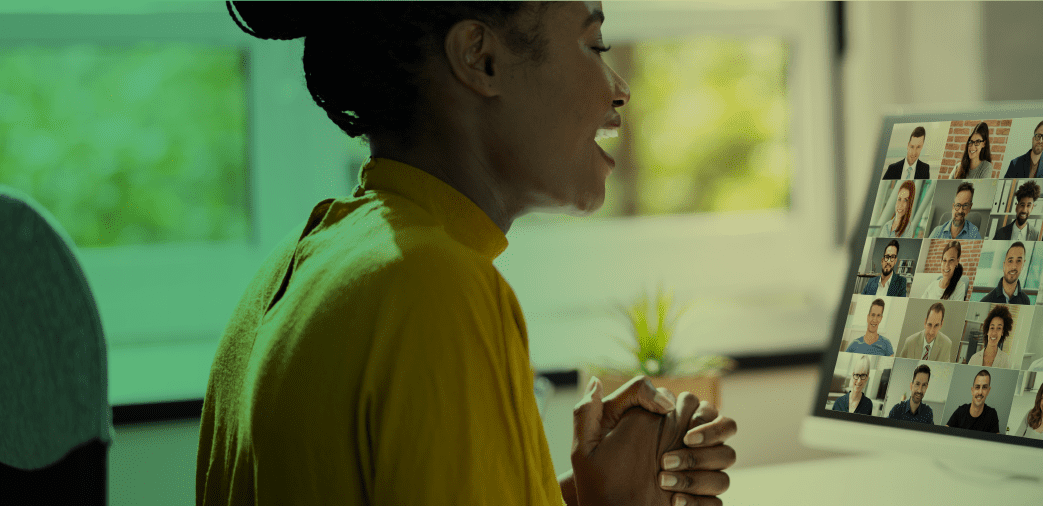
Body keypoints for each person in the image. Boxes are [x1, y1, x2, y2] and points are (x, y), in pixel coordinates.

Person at [205, 4, 736, 506]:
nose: (619, 90)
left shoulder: (295, 266)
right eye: (593, 44)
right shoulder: (434, 286)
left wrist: (591, 493)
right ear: (480, 58)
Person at [946, 369, 1000, 433]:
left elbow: (996, 441)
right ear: (972, 390)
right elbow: (944, 434)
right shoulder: (960, 411)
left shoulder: (992, 415)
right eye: (977, 387)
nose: (980, 392)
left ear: (988, 391)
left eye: (984, 387)